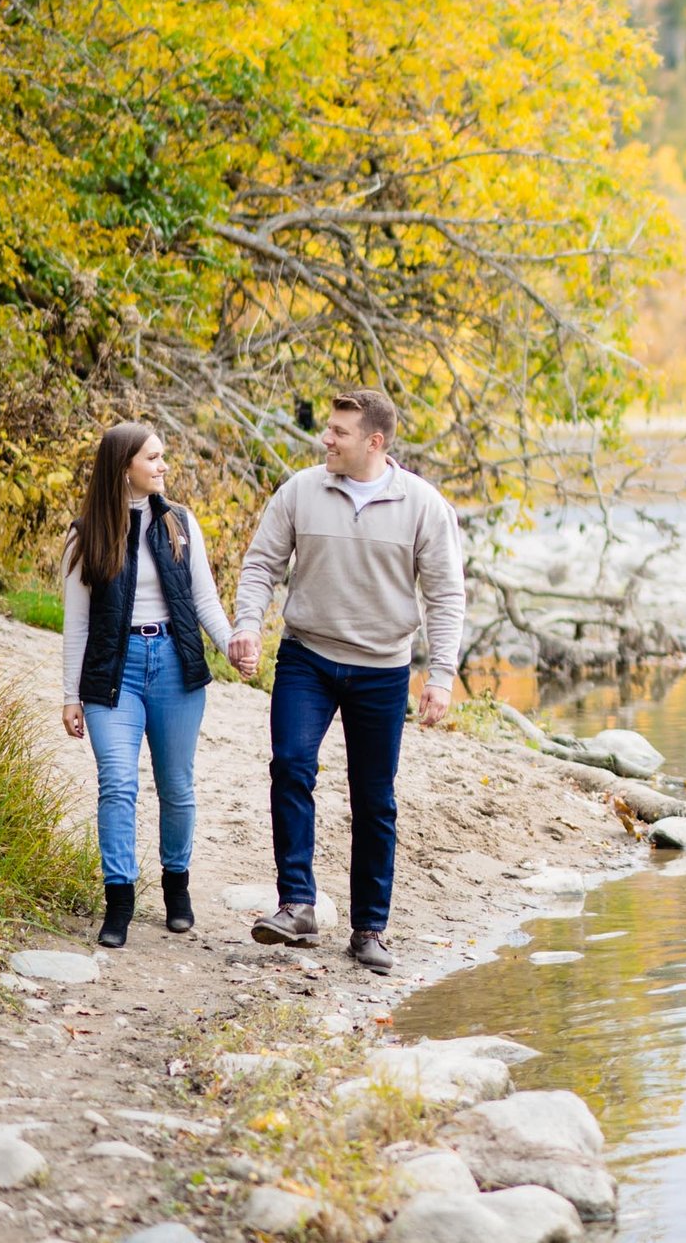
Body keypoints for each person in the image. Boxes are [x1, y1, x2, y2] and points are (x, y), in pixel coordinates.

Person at [229, 388, 464, 974]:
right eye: (329, 429)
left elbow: (444, 594)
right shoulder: (301, 492)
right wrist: (247, 624)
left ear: (374, 443)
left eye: (339, 432)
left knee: (374, 799)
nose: (326, 439)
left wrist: (440, 676)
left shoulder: (424, 506)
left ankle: (369, 930)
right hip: (307, 657)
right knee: (290, 764)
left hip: (383, 669)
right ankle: (298, 905)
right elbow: (261, 563)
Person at [60, 421, 231, 948]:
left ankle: (176, 888)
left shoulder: (180, 521)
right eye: (152, 458)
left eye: (162, 457)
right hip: (115, 671)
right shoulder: (85, 533)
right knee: (117, 781)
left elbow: (204, 599)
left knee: (176, 787)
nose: (162, 467)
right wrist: (71, 694)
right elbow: (77, 622)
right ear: (124, 466)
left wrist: (233, 646)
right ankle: (120, 901)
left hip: (176, 667)